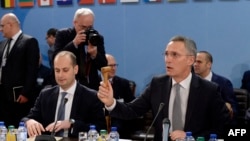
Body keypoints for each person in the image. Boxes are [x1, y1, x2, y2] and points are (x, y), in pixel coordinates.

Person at [97, 35, 230, 141]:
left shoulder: (209, 90)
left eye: (175, 55)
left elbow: (223, 128)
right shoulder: (157, 84)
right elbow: (132, 110)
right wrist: (110, 102)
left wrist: (190, 137)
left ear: (190, 60)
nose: (168, 59)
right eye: (166, 54)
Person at [21, 51, 106, 137]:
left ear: (75, 69)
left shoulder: (91, 96)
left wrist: (72, 124)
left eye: (65, 70)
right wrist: (29, 122)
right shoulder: (45, 95)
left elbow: (100, 128)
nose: (60, 75)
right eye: (57, 70)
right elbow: (27, 118)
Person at [0, 13, 40, 127]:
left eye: (2, 26)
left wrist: (26, 92)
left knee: (18, 125)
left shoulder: (29, 41)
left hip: (19, 96)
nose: (0, 29)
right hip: (3, 96)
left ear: (11, 24)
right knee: (5, 126)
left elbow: (32, 69)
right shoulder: (2, 44)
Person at [54, 8, 107, 91]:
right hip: (69, 85)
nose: (86, 30)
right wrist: (74, 43)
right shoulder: (63, 35)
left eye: (90, 27)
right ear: (75, 23)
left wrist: (94, 54)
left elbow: (103, 66)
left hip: (91, 87)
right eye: (83, 27)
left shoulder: (96, 37)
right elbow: (56, 58)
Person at [193, 51, 238, 124]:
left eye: (199, 62)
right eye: (194, 62)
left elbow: (233, 109)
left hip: (216, 124)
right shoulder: (190, 82)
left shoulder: (223, 83)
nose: (195, 64)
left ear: (209, 64)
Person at [105, 53, 136, 138]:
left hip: (120, 123)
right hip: (101, 120)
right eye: (110, 66)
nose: (114, 68)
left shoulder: (123, 84)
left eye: (115, 65)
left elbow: (131, 106)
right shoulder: (93, 83)